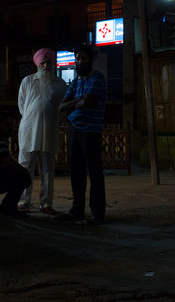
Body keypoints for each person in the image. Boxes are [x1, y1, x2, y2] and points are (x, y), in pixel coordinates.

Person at [56, 44, 107, 226]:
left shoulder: (98, 79)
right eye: (78, 59)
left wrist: (76, 104)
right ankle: (77, 210)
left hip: (91, 130)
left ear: (90, 60)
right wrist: (78, 102)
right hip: (74, 129)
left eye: (83, 58)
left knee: (95, 172)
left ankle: (97, 213)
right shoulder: (76, 82)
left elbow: (90, 101)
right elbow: (62, 106)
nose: (80, 62)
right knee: (76, 171)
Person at [17, 48, 67, 215]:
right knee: (26, 167)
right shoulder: (27, 81)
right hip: (29, 130)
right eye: (43, 63)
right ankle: (24, 202)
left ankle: (46, 203)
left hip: (49, 130)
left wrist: (50, 121)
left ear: (53, 64)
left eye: (49, 63)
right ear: (37, 64)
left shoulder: (60, 84)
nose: (46, 66)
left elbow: (62, 109)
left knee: (47, 169)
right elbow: (22, 106)